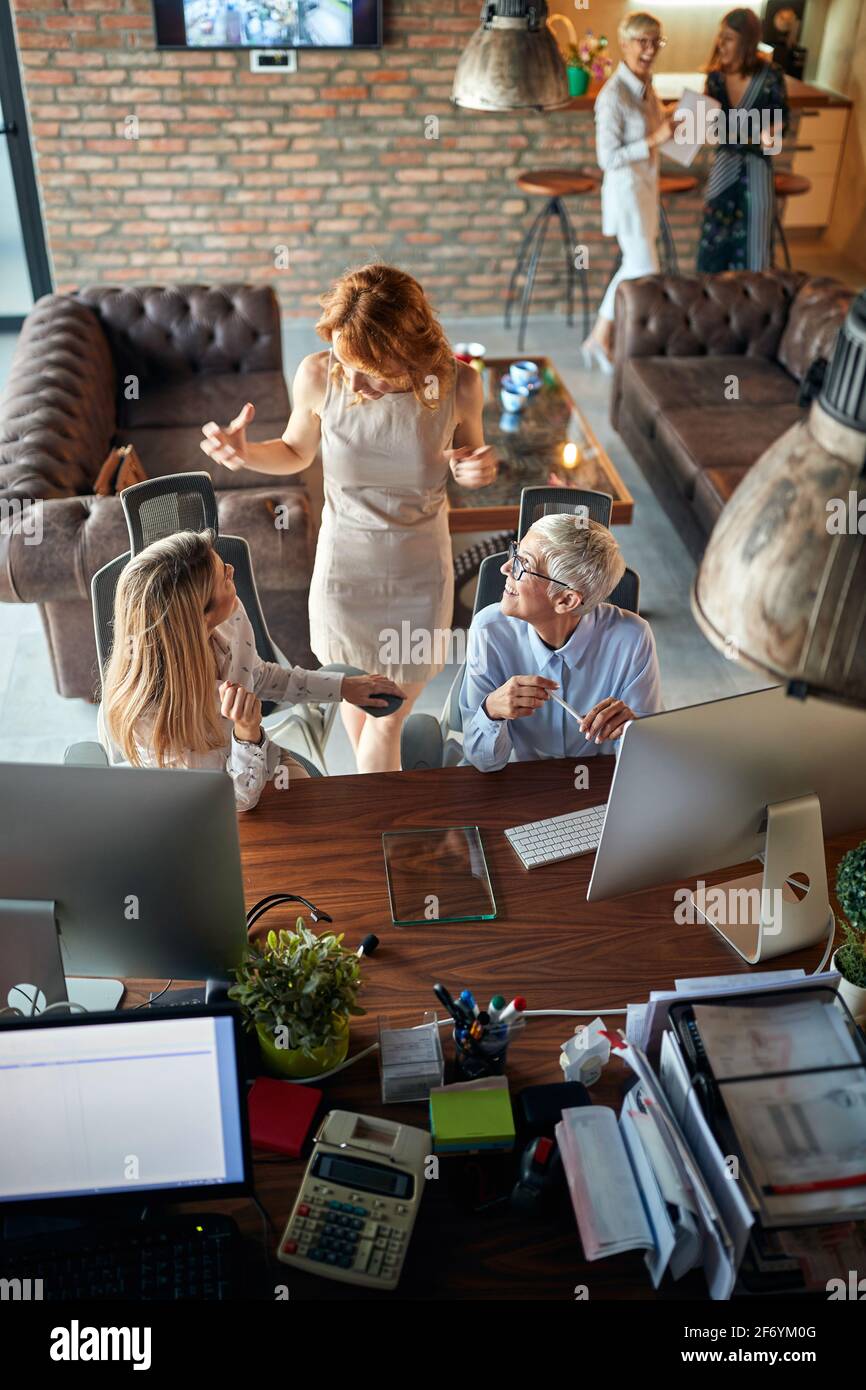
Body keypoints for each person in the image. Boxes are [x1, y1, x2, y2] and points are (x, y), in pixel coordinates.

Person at [200, 263, 498, 774]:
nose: (354, 381)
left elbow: (470, 455)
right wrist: (245, 453)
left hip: (420, 570)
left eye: (370, 369)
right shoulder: (319, 374)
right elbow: (295, 450)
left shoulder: (459, 385)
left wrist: (477, 470)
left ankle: (367, 823)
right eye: (346, 359)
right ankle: (376, 826)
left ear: (410, 349)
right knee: (357, 694)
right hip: (345, 569)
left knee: (389, 713)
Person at [100, 530, 402, 811]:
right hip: (207, 808)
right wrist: (247, 734)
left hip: (261, 762)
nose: (231, 569)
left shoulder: (229, 617)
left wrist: (341, 687)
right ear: (198, 619)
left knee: (325, 821)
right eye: (224, 578)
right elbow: (236, 801)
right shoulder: (153, 716)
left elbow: (258, 675)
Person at [460, 517, 662, 772]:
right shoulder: (488, 630)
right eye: (516, 552)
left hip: (598, 783)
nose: (506, 568)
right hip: (519, 780)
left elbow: (645, 766)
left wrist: (632, 733)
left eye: (524, 564)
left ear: (566, 601)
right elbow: (483, 762)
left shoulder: (633, 638)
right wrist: (491, 711)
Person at [584, 10, 681, 371]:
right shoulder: (613, 95)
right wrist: (654, 138)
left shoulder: (645, 85)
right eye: (642, 41)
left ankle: (599, 338)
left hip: (645, 190)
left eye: (656, 42)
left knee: (634, 263)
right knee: (643, 265)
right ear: (624, 43)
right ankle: (603, 336)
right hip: (626, 194)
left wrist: (668, 117)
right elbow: (607, 158)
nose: (650, 49)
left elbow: (650, 128)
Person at [697, 9, 789, 272]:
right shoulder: (715, 78)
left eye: (728, 38)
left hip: (758, 172)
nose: (720, 44)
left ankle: (754, 307)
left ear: (746, 42)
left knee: (755, 246)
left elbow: (781, 121)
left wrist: (773, 131)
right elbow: (710, 128)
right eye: (720, 37)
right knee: (713, 245)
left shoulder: (770, 76)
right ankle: (715, 307)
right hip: (723, 170)